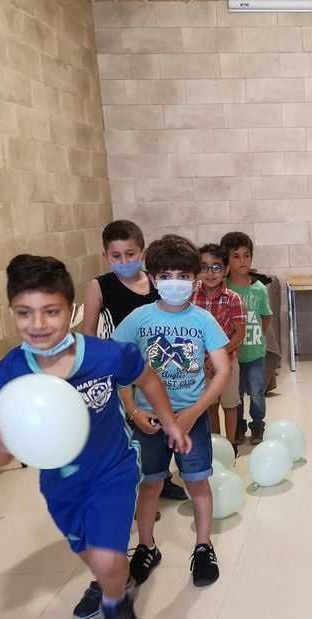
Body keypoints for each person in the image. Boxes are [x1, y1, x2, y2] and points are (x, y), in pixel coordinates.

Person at [0, 254, 191, 619]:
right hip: (60, 484)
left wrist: (171, 423)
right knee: (92, 554)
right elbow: (0, 453)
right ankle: (110, 581)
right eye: (24, 313)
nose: (38, 324)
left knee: (109, 558)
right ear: (12, 312)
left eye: (51, 311)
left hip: (113, 470)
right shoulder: (10, 373)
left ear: (72, 310)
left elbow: (147, 377)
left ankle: (116, 601)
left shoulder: (103, 355)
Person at [112, 235, 232, 588]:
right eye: (165, 275)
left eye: (182, 275)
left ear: (195, 279)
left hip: (189, 419)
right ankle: (146, 547)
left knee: (197, 483)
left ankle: (203, 546)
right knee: (149, 486)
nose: (174, 282)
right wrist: (133, 411)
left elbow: (222, 370)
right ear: (152, 278)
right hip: (147, 421)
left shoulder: (203, 320)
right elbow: (120, 366)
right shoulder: (138, 319)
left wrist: (195, 412)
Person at [82, 219, 188, 502]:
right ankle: (137, 492)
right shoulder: (99, 286)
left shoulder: (157, 282)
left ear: (142, 252)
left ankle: (161, 479)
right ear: (106, 256)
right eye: (116, 256)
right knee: (132, 434)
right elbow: (88, 334)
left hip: (162, 367)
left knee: (161, 425)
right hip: (123, 374)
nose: (123, 261)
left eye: (130, 254)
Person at [220, 231, 272, 445]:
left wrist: (258, 336)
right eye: (236, 256)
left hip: (255, 352)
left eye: (246, 255)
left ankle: (257, 424)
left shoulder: (259, 289)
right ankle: (239, 426)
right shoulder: (224, 287)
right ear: (227, 260)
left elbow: (266, 317)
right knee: (236, 393)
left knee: (257, 391)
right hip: (232, 354)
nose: (243, 261)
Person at [193, 243, 246, 448]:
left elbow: (239, 333)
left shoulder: (233, 299)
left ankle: (230, 444)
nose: (210, 273)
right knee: (210, 405)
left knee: (229, 404)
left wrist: (219, 357)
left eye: (216, 267)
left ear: (225, 270)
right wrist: (205, 359)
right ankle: (217, 444)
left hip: (228, 361)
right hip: (200, 363)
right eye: (204, 267)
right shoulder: (191, 297)